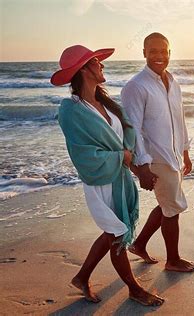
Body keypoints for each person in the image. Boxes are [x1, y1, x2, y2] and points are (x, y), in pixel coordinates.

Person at [51, 45, 163, 306]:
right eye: (96, 62)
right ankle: (134, 289)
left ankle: (81, 277)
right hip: (100, 180)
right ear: (84, 69)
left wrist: (135, 164)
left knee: (113, 233)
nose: (102, 65)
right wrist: (119, 157)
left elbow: (128, 134)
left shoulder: (107, 104)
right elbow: (81, 153)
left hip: (119, 178)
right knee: (116, 234)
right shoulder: (70, 109)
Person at [121, 32, 194, 272]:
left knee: (167, 203)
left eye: (163, 51)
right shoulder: (136, 86)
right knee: (173, 208)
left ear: (169, 53)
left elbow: (180, 119)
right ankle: (173, 261)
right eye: (153, 51)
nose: (159, 56)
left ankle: (139, 244)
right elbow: (131, 128)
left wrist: (185, 151)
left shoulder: (173, 82)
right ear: (144, 53)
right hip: (156, 158)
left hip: (174, 155)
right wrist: (142, 165)